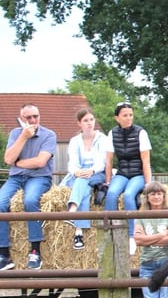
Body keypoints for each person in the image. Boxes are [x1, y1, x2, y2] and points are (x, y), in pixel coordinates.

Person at [0, 103, 56, 270]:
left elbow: (41, 161)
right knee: (0, 203)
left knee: (30, 201)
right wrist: (23, 137)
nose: (33, 120)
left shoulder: (49, 135)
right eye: (28, 117)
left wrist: (19, 162)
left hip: (40, 177)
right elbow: (9, 160)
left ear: (39, 116)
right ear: (21, 119)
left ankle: (35, 251)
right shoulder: (15, 134)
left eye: (35, 116)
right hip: (16, 178)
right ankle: (4, 254)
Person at [104, 101, 152, 256]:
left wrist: (148, 183)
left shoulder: (141, 133)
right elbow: (109, 160)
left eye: (130, 115)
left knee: (129, 195)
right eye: (125, 115)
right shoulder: (112, 133)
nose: (129, 118)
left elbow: (146, 160)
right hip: (122, 173)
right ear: (117, 118)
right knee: (111, 194)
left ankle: (132, 236)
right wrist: (108, 180)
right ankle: (108, 231)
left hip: (137, 173)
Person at [60, 107, 108, 250]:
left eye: (91, 120)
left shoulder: (102, 139)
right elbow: (72, 162)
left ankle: (72, 211)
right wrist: (76, 172)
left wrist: (91, 170)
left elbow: (102, 161)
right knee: (84, 188)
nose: (89, 123)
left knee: (83, 181)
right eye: (85, 120)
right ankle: (79, 232)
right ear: (79, 123)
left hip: (97, 172)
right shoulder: (75, 141)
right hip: (80, 173)